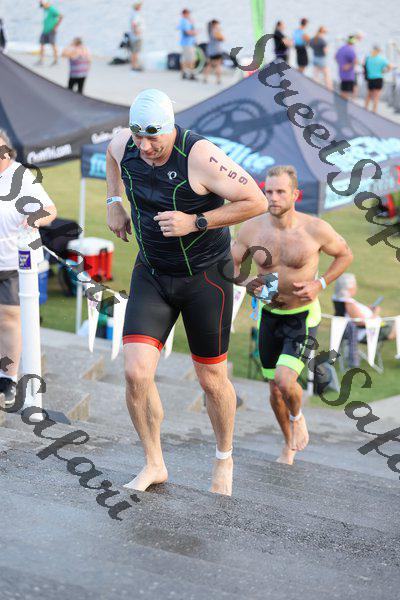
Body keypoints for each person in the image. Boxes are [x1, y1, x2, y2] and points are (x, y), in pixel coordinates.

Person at [106, 89, 267, 495]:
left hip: (205, 278)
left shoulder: (200, 156)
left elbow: (256, 200)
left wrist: (196, 222)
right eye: (138, 137)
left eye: (153, 138)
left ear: (170, 128)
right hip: (153, 273)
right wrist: (113, 200)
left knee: (212, 379)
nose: (145, 147)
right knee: (135, 373)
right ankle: (154, 462)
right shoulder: (124, 144)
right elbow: (112, 155)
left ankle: (224, 457)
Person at [231, 165, 353, 465]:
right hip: (269, 315)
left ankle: (298, 418)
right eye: (269, 191)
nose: (273, 197)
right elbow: (231, 265)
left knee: (285, 381)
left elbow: (345, 254)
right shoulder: (252, 228)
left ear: (295, 194)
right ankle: (288, 443)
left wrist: (320, 283)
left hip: (301, 316)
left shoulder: (315, 229)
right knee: (275, 391)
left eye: (280, 192)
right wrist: (248, 283)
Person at [0, 129, 57, 406]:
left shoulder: (20, 176)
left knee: (9, 317)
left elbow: (50, 210)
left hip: (14, 261)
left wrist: (34, 217)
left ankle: (7, 378)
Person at [334, 273, 396, 342]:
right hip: (369, 331)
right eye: (355, 285)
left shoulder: (339, 299)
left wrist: (367, 309)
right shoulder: (348, 303)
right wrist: (376, 313)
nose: (356, 287)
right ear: (349, 288)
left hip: (373, 328)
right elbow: (361, 323)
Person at [364, 45, 392, 112]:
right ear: (378, 51)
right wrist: (383, 71)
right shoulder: (381, 59)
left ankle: (365, 108)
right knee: (376, 95)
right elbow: (390, 67)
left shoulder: (368, 59)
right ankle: (374, 110)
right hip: (378, 78)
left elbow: (366, 68)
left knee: (369, 94)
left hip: (370, 78)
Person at [37, 1, 63, 66]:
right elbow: (41, 4)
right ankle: (41, 60)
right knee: (42, 44)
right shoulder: (45, 9)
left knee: (53, 45)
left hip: (51, 30)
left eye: (43, 5)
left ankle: (56, 60)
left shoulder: (52, 9)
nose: (42, 6)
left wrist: (55, 27)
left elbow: (61, 16)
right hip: (45, 30)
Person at [335, 35, 358, 100]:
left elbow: (335, 57)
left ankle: (341, 104)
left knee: (343, 91)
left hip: (342, 74)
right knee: (349, 92)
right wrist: (348, 66)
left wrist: (341, 65)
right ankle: (350, 103)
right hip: (349, 75)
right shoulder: (350, 50)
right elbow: (355, 61)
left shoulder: (341, 49)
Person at [177, 8, 197, 80]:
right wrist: (195, 33)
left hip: (187, 43)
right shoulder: (184, 21)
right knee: (191, 59)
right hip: (187, 43)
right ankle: (191, 74)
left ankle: (184, 73)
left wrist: (191, 22)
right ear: (184, 14)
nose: (189, 15)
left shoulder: (185, 21)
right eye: (188, 13)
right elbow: (187, 32)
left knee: (184, 59)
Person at [203, 20, 224, 84]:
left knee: (209, 65)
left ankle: (205, 78)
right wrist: (219, 31)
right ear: (214, 25)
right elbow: (222, 39)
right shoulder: (215, 31)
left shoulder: (210, 31)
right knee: (217, 65)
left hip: (210, 51)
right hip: (216, 51)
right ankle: (218, 79)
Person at [129, 2, 144, 71]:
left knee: (134, 51)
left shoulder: (133, 14)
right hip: (136, 36)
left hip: (133, 36)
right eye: (139, 6)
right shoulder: (136, 14)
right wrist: (136, 32)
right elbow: (134, 24)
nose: (141, 7)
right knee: (136, 52)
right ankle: (135, 66)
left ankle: (133, 65)